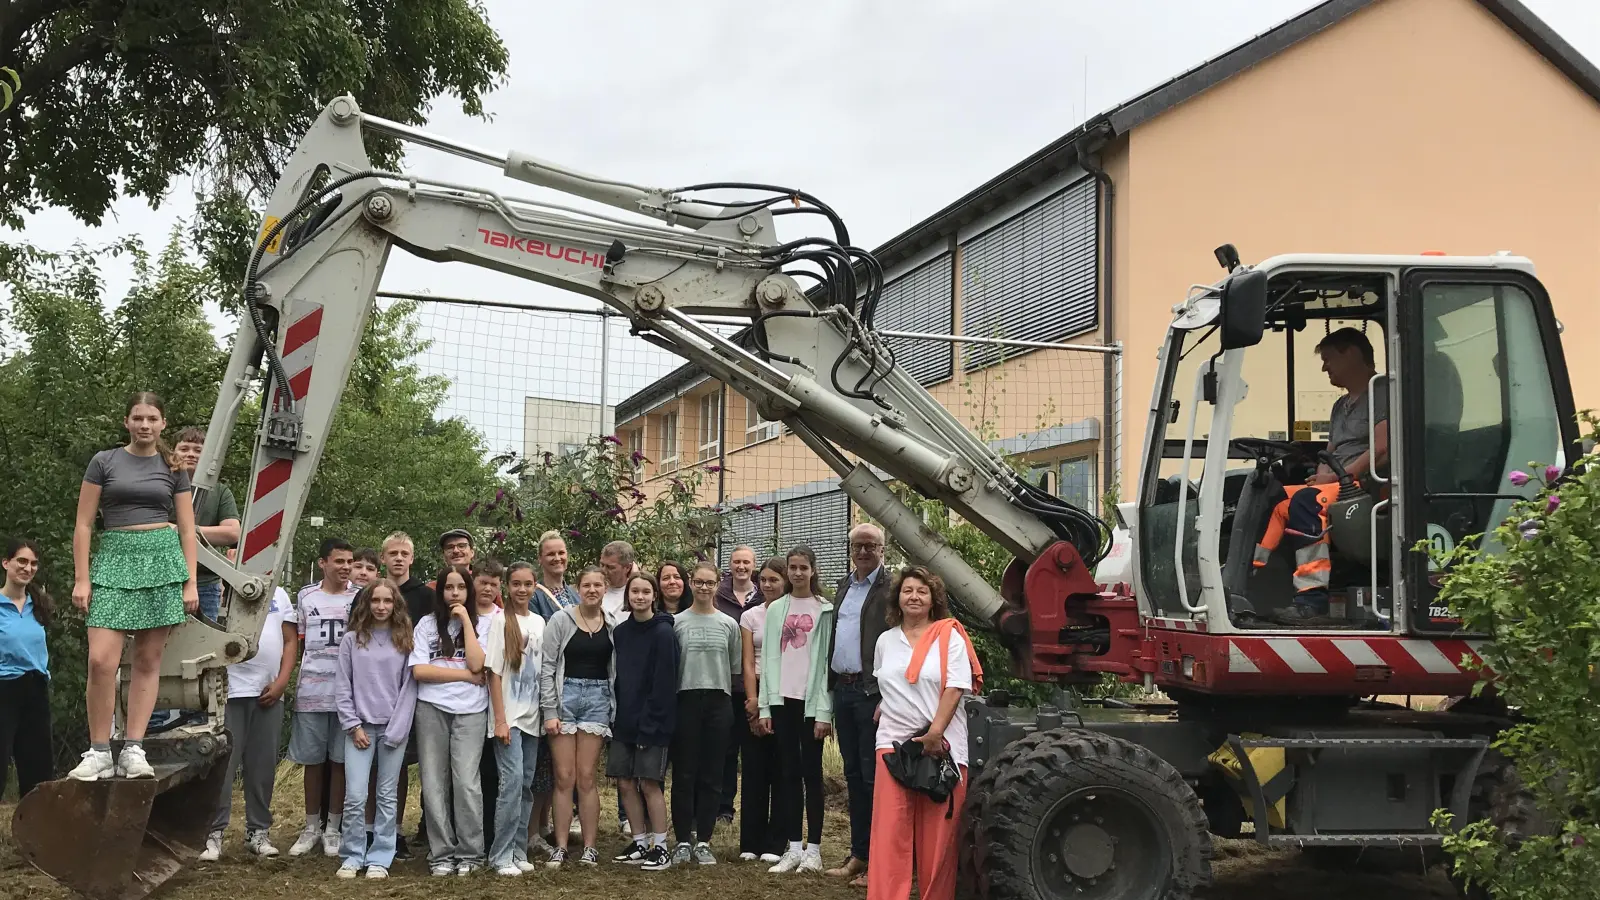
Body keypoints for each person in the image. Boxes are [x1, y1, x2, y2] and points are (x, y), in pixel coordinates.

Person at [69, 392, 200, 782]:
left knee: (147, 661)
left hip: (161, 559)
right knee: (101, 661)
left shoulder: (173, 465)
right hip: (113, 559)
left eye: (152, 418)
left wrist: (190, 582)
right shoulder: (103, 461)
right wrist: (82, 577)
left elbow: (188, 529)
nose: (145, 425)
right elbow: (84, 524)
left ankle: (133, 748)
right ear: (126, 421)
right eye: (138, 418)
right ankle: (97, 751)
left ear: (162, 424)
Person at [866, 567, 981, 900]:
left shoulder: (950, 637)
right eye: (907, 591)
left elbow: (956, 687)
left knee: (938, 840)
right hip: (892, 745)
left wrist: (935, 733)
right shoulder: (886, 640)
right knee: (889, 835)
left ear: (934, 600)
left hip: (941, 746)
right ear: (897, 598)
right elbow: (887, 683)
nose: (913, 596)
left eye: (921, 591)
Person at [199, 582, 296, 861]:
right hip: (226, 693)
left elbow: (290, 640)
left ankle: (258, 832)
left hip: (267, 694)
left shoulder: (278, 593)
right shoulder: (216, 590)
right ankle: (213, 834)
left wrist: (281, 683)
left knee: (262, 767)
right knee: (222, 767)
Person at [410, 565, 492, 876]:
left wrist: (466, 624)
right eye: (448, 587)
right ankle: (441, 853)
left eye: (460, 587)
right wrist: (465, 677)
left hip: (470, 712)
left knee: (467, 783)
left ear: (469, 591)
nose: (454, 593)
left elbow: (478, 663)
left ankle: (471, 854)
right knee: (433, 783)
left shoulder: (484, 624)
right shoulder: (426, 625)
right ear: (440, 591)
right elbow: (420, 671)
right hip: (431, 709)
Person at [334, 580, 417, 880]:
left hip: (394, 729)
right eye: (376, 601)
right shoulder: (352, 640)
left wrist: (397, 729)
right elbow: (343, 686)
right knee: (355, 795)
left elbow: (410, 688)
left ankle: (382, 855)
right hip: (360, 729)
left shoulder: (404, 639)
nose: (381, 607)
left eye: (387, 601)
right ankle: (353, 854)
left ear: (396, 605)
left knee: (386, 794)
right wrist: (353, 725)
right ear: (366, 603)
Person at [825, 522, 892, 885]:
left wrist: (887, 693)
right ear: (850, 550)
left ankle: (878, 860)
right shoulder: (845, 586)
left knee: (873, 779)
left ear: (883, 549)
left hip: (872, 695)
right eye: (858, 546)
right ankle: (859, 854)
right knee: (853, 776)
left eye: (871, 546)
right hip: (844, 691)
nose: (864, 552)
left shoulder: (891, 589)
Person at [761, 546, 834, 874]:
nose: (798, 573)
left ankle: (814, 850)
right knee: (788, 773)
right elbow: (768, 660)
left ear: (813, 570)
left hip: (810, 704)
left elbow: (825, 667)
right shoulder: (776, 609)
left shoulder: (824, 610)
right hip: (782, 700)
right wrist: (766, 706)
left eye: (804, 567)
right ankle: (792, 848)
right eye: (793, 567)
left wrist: (823, 711)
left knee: (811, 775)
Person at [285, 538, 358, 858]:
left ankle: (333, 829)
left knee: (340, 762)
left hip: (347, 695)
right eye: (339, 561)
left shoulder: (360, 597)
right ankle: (311, 827)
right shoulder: (305, 596)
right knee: (313, 762)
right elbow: (298, 642)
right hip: (312, 691)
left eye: (349, 562)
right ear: (323, 563)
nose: (345, 567)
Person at [540, 566, 615, 867]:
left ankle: (589, 847)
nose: (592, 590)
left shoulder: (612, 623)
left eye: (598, 585)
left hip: (597, 699)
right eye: (586, 585)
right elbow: (547, 666)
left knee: (586, 777)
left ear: (605, 589)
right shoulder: (561, 619)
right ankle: (560, 846)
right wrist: (549, 710)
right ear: (578, 588)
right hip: (565, 697)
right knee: (564, 777)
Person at [669, 561, 743, 866]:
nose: (703, 588)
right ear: (691, 582)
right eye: (698, 582)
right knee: (685, 773)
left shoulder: (729, 624)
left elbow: (734, 667)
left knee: (713, 773)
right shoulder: (676, 623)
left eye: (709, 583)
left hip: (718, 701)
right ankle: (683, 839)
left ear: (717, 585)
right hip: (685, 700)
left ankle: (704, 841)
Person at [609, 573, 679, 872]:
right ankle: (639, 841)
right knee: (625, 782)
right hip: (623, 720)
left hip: (652, 722)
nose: (639, 596)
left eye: (645, 591)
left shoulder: (663, 633)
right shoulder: (621, 632)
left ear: (654, 596)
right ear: (629, 595)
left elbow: (664, 684)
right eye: (634, 591)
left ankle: (660, 846)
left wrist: (649, 725)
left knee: (649, 783)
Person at [486, 560, 545, 877]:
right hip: (508, 720)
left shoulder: (539, 622)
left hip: (532, 719)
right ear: (507, 587)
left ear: (535, 586)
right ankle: (500, 854)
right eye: (516, 584)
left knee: (525, 786)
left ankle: (519, 849)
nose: (522, 589)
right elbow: (493, 673)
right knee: (509, 787)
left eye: (528, 584)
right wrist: (499, 720)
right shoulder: (500, 621)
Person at [381, 531, 432, 860]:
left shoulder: (426, 597)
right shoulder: (374, 594)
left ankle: (431, 826)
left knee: (429, 761)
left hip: (421, 688)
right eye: (393, 553)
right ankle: (391, 831)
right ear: (383, 558)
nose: (398, 558)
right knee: (390, 766)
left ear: (412, 559)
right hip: (383, 691)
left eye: (404, 553)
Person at [737, 556, 789, 862]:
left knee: (781, 770)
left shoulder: (794, 614)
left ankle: (776, 842)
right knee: (754, 770)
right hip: (755, 691)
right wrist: (753, 700)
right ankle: (750, 842)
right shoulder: (750, 616)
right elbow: (747, 661)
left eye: (774, 580)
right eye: (764, 580)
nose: (768, 585)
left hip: (785, 694)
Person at [0, 539, 53, 800]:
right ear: (6, 563)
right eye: (22, 561)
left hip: (36, 688)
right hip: (4, 688)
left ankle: (37, 835)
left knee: (38, 769)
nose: (27, 568)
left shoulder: (38, 605)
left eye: (33, 563)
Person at [170, 427, 240, 623]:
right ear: (173, 452)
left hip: (206, 584)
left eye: (198, 450)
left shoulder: (219, 491)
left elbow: (232, 532)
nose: (191, 454)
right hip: (164, 580)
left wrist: (181, 531)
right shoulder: (161, 486)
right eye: (184, 449)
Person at [1308, 327, 1389, 487]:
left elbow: (1382, 449)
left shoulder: (1383, 392)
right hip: (1335, 484)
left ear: (1351, 354)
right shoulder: (1339, 405)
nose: (1324, 368)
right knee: (1278, 498)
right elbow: (1328, 454)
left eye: (1327, 359)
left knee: (1292, 505)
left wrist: (1337, 478)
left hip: (1360, 487)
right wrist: (1322, 478)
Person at [714, 545, 760, 822]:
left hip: (756, 686)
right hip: (728, 685)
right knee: (728, 750)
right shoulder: (719, 596)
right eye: (736, 562)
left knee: (754, 750)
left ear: (753, 565)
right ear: (729, 565)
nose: (741, 566)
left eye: (746, 562)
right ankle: (724, 808)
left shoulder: (764, 595)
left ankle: (752, 811)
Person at [472, 559, 506, 851]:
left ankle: (490, 835)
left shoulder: (503, 618)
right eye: (483, 582)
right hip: (465, 706)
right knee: (465, 775)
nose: (487, 588)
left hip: (494, 707)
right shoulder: (462, 615)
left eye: (493, 584)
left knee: (492, 774)